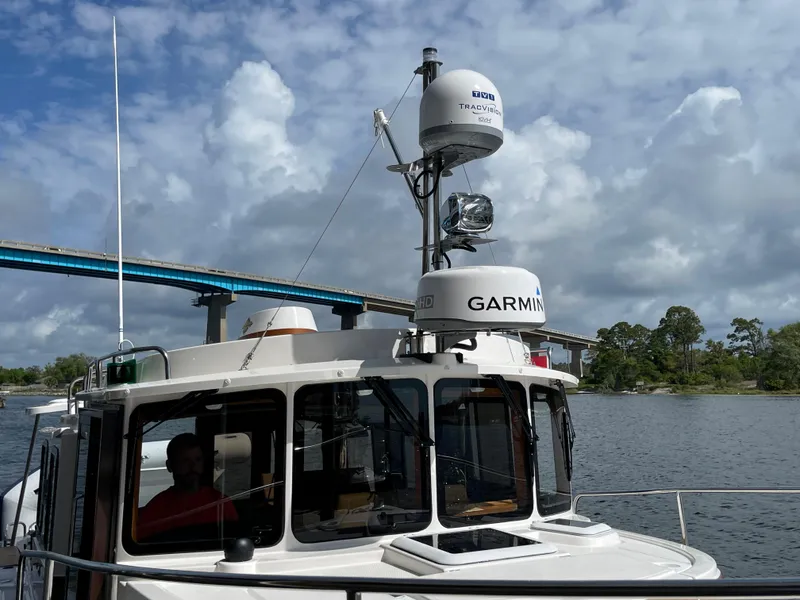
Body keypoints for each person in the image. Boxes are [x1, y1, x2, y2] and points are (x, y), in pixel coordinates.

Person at [137, 432, 239, 541]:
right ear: (170, 466)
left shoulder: (221, 502)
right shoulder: (155, 509)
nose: (193, 466)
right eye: (185, 461)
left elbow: (235, 540)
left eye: (198, 459)